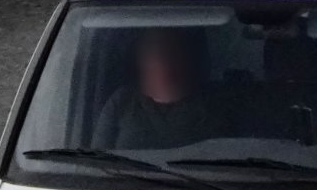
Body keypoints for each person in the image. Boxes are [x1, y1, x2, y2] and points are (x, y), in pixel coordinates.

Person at [91, 28, 229, 150]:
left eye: (173, 51)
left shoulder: (216, 104)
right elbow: (95, 162)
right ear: (138, 59)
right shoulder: (122, 102)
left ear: (188, 57)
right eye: (153, 51)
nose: (163, 60)